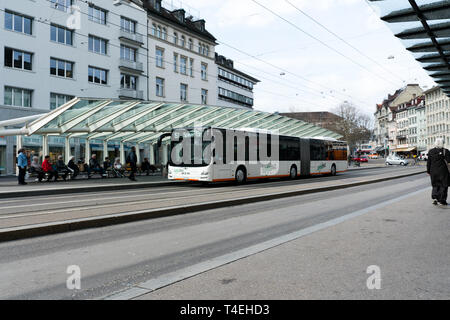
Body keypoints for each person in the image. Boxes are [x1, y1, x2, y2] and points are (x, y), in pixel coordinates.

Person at [427, 138, 450, 206]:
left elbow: (429, 162)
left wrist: (428, 171)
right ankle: (442, 201)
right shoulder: (446, 151)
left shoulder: (431, 151)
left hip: (433, 171)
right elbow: (449, 161)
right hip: (443, 171)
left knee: (435, 185)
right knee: (444, 185)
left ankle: (435, 198)